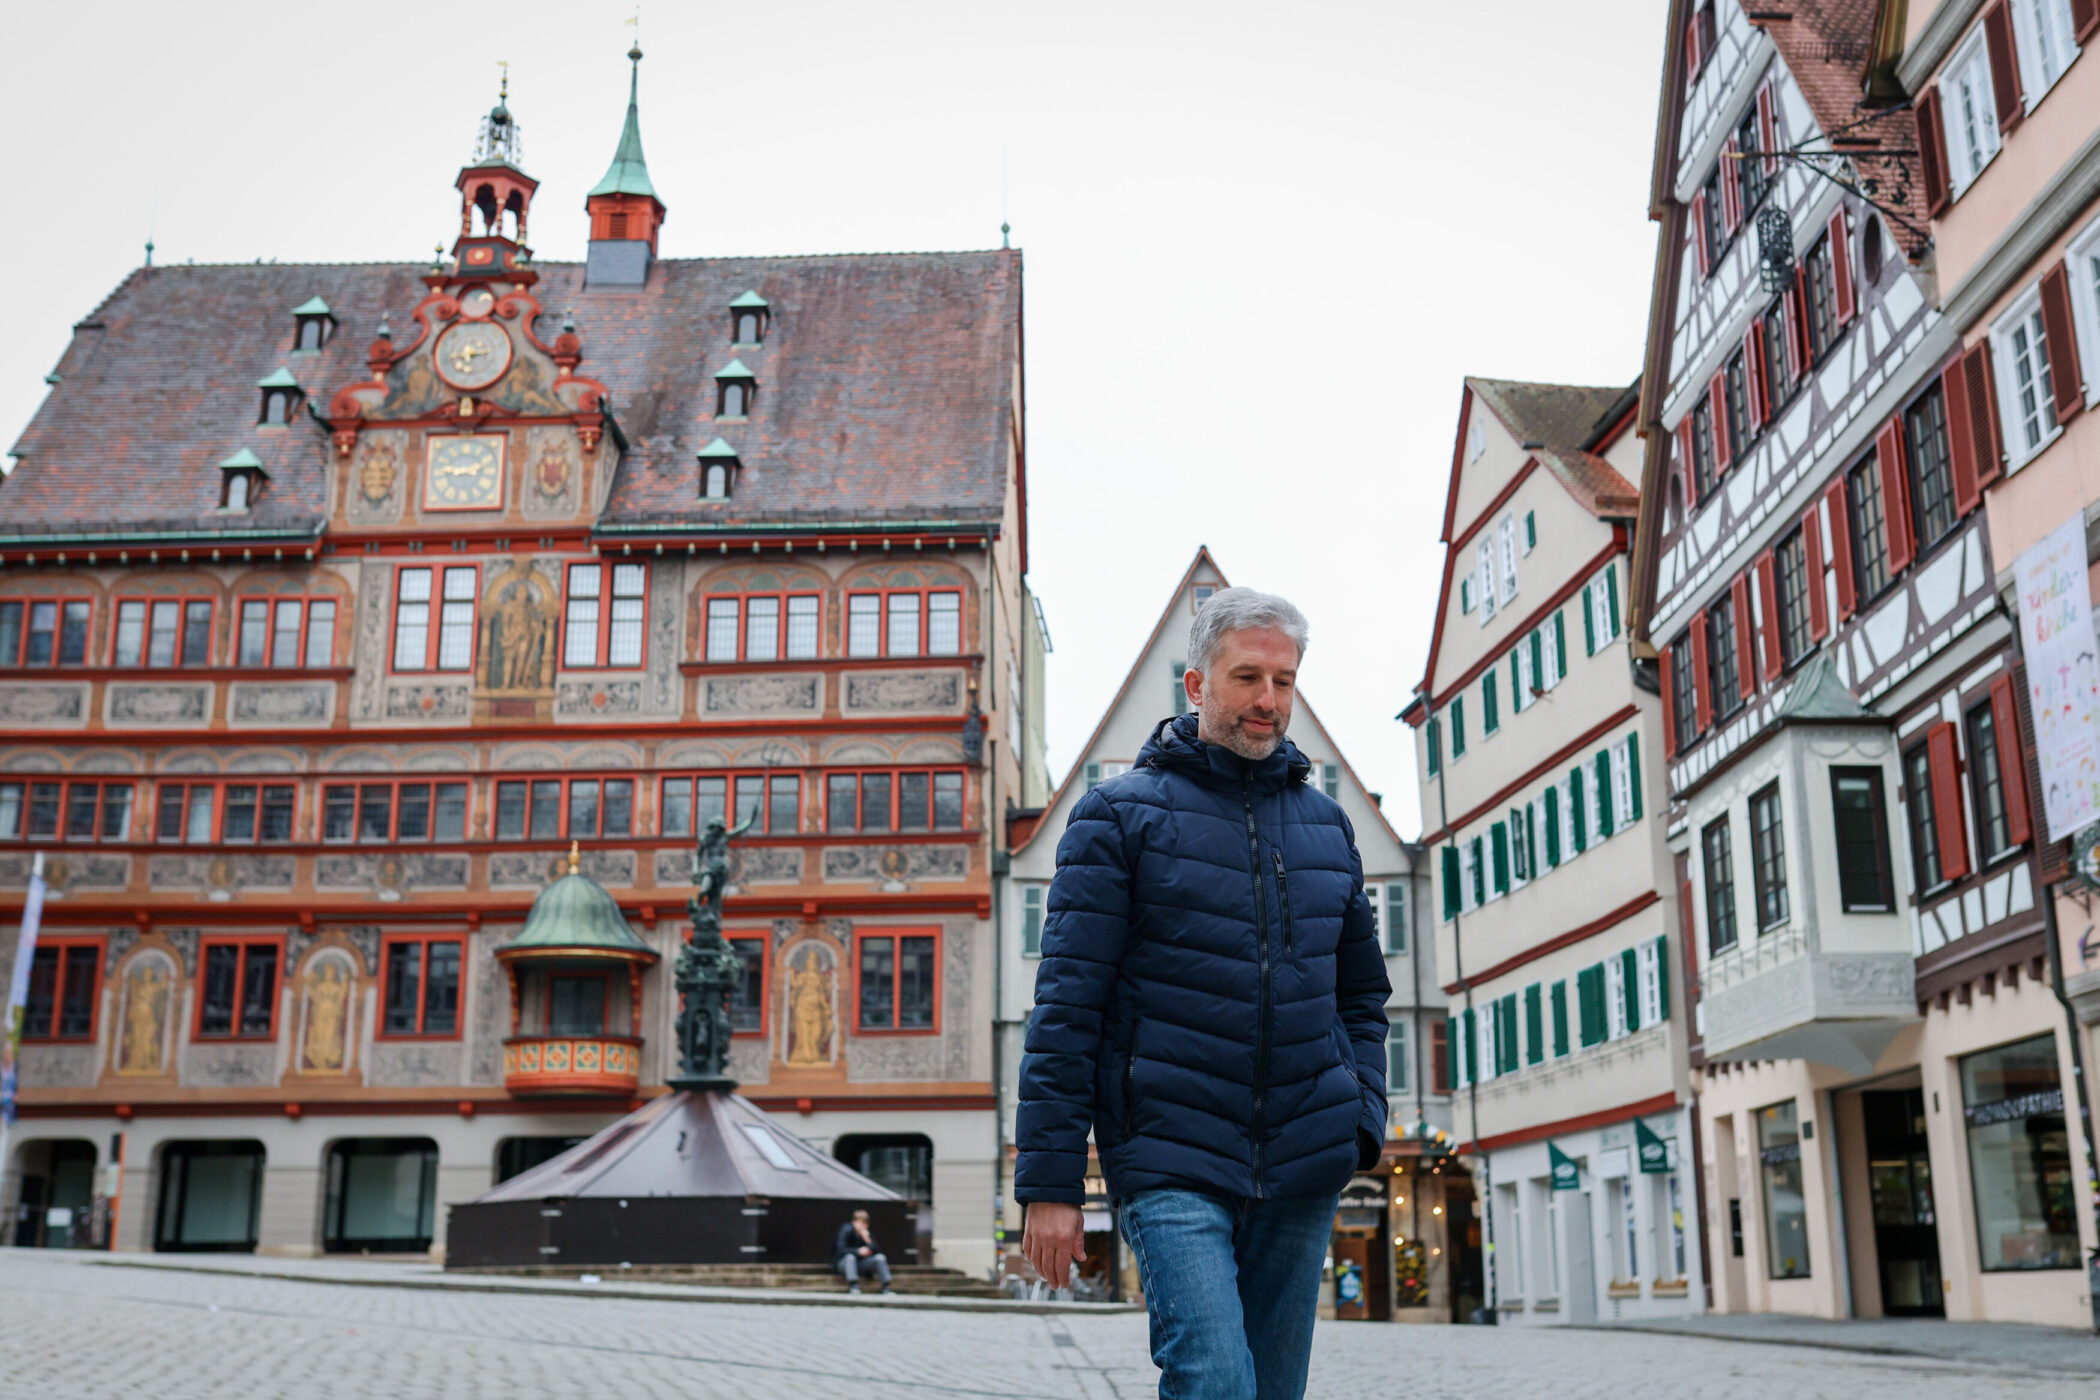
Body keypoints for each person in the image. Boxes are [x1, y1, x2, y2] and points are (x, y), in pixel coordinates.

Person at [1016, 587, 1390, 1400]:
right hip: (1169, 1154)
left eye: (1284, 682)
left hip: (1305, 1158)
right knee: (1215, 1381)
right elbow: (1067, 1011)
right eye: (1247, 677)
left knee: (1273, 1391)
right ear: (1196, 685)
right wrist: (1048, 1185)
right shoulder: (1116, 819)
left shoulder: (1328, 828)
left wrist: (1361, 1119)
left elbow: (1362, 998)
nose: (1268, 701)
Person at [833, 1209, 894, 1295]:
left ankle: (886, 1286)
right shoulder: (846, 1230)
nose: (863, 1226)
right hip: (844, 1264)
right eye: (861, 1223)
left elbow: (877, 1251)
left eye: (865, 1224)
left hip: (861, 1265)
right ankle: (853, 1285)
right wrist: (858, 1251)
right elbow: (840, 1250)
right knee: (850, 1257)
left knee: (880, 1258)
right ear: (854, 1222)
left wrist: (868, 1240)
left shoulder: (866, 1234)